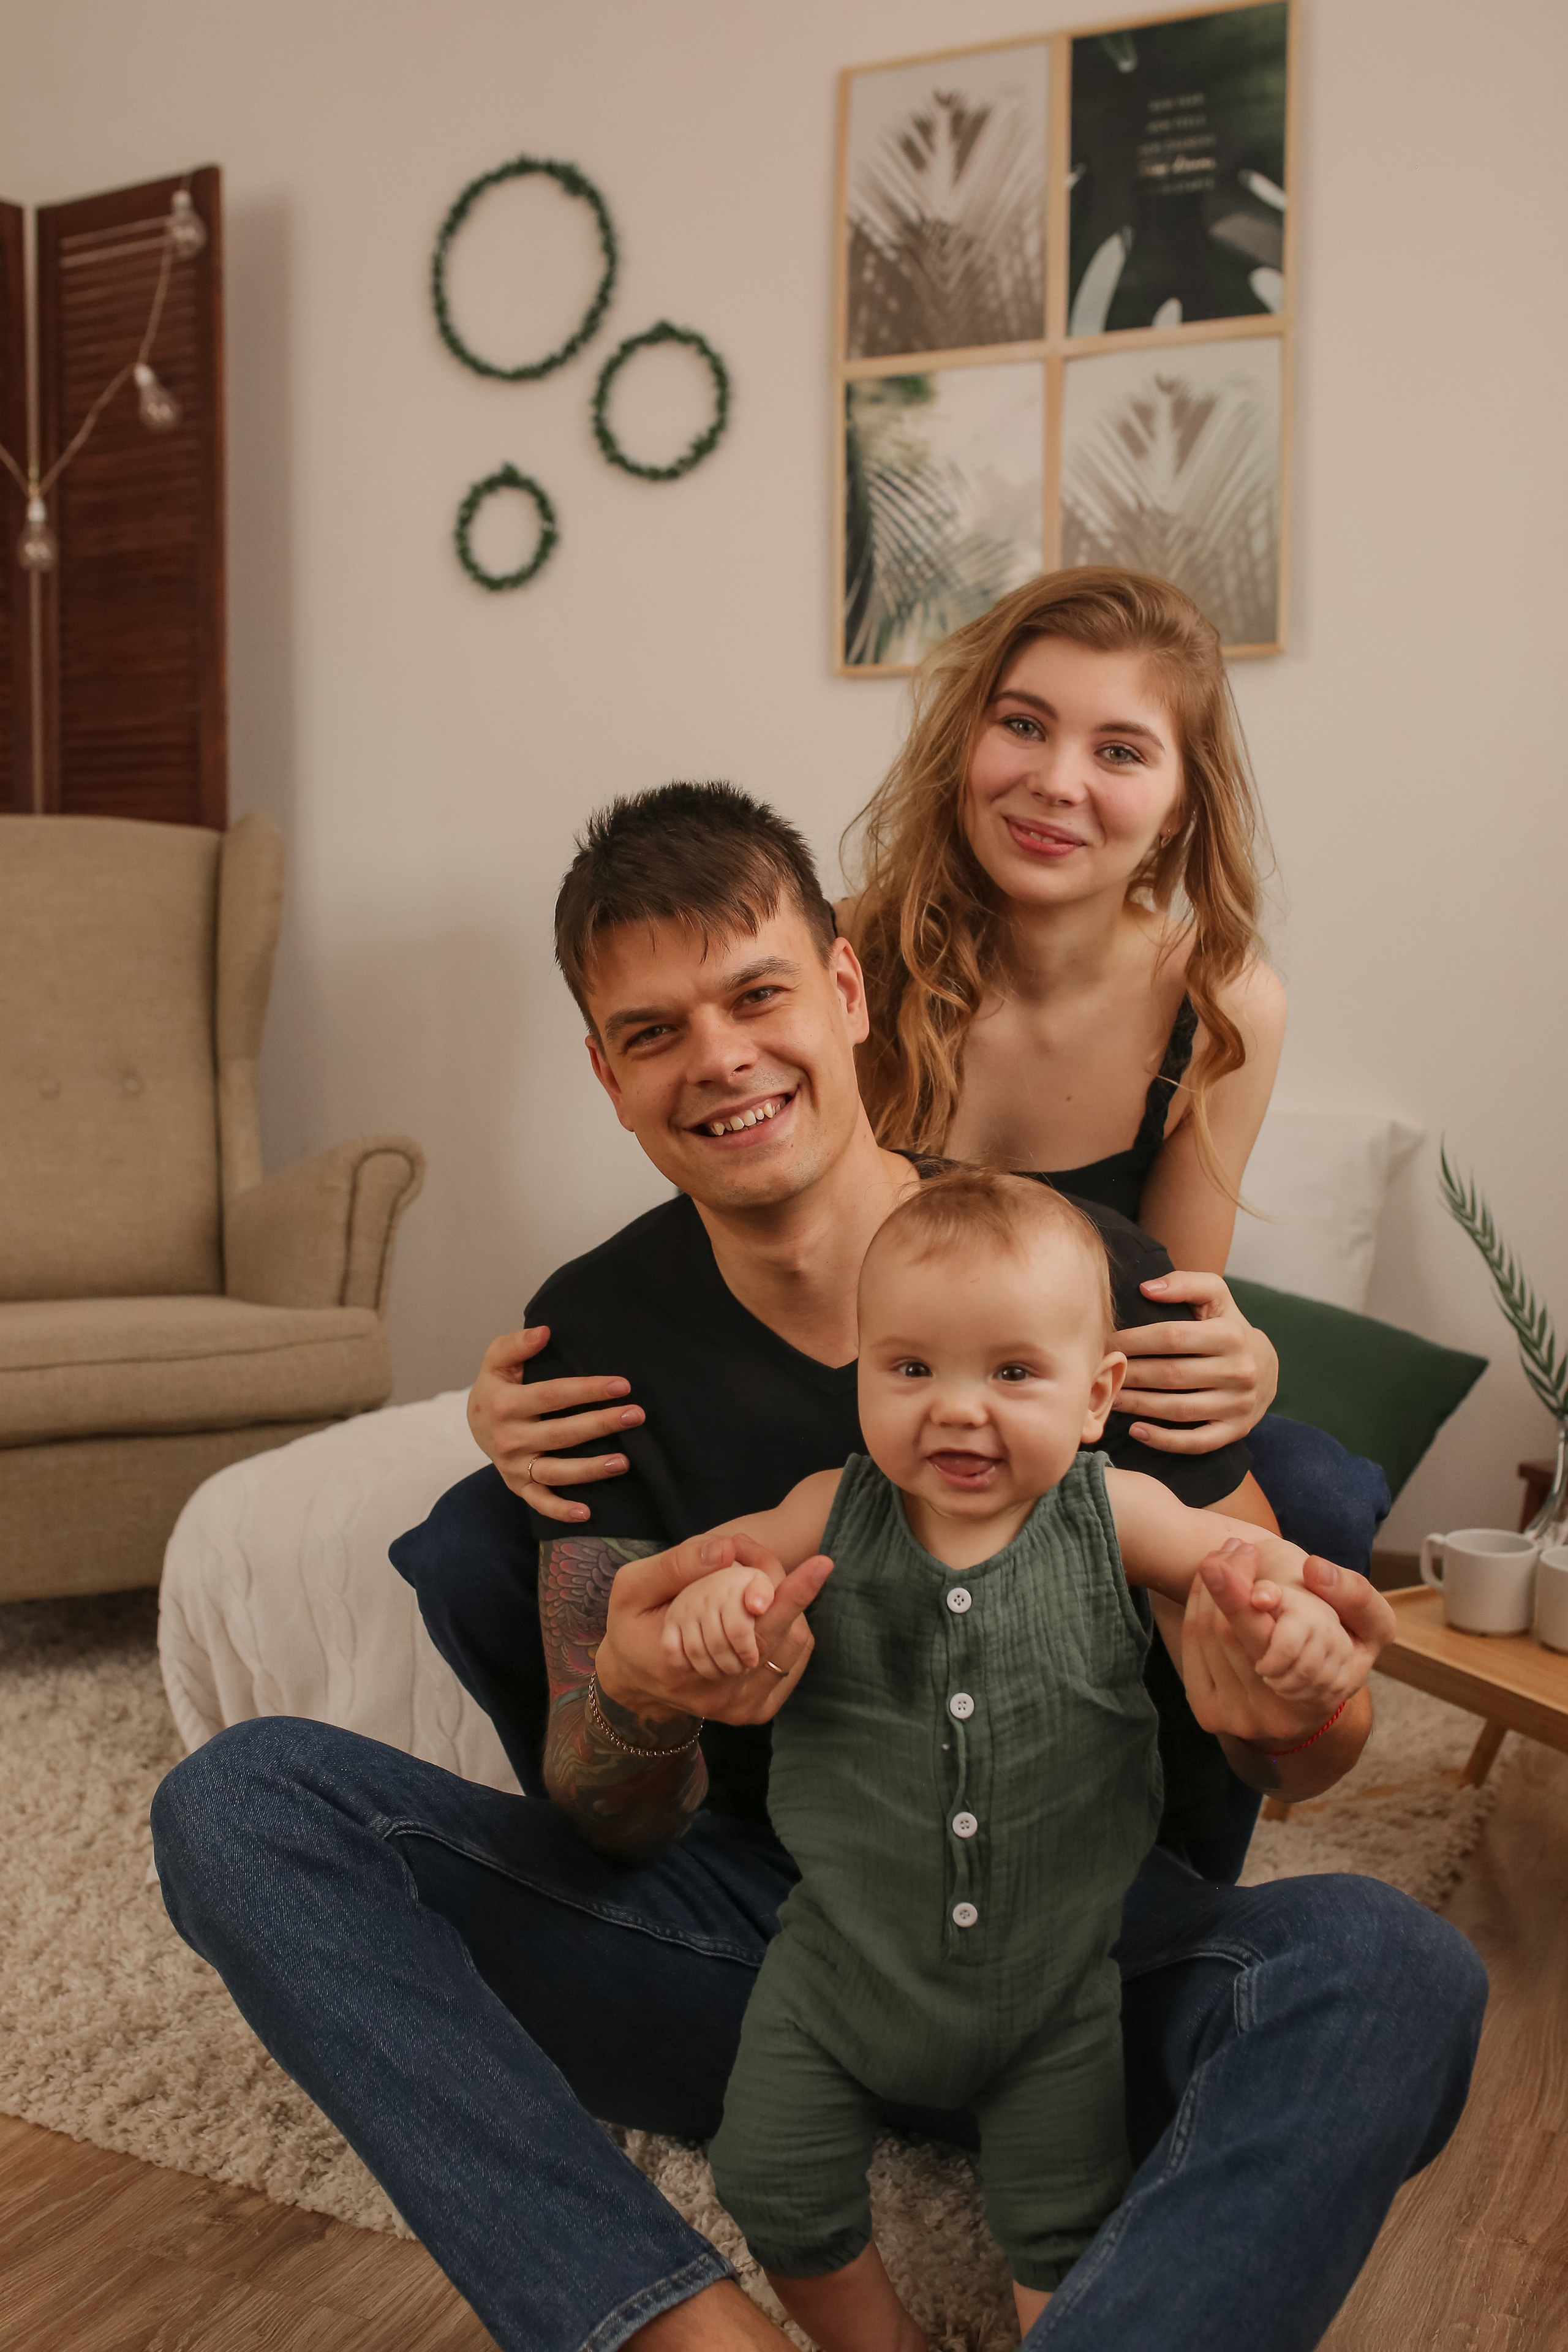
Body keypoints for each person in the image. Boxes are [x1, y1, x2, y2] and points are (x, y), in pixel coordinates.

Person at [151, 783, 1484, 2352]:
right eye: (650, 1032)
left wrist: (1273, 1699)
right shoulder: (595, 1342)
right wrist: (642, 1698)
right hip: (764, 1945)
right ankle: (673, 2333)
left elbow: (1311, 1748)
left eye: (757, 992)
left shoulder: (1082, 1277)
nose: (716, 1058)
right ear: (606, 1075)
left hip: (1077, 1941)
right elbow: (599, 1806)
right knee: (238, 1805)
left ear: (845, 991)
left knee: (1388, 1968)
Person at [488, 571, 1382, 1575]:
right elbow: (766, 1200)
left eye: (1121, 750)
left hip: (1045, 1394)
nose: (1056, 780)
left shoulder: (1222, 1006)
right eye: (1024, 725)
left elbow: (1158, 1308)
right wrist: (507, 1399)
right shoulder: (853, 946)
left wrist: (1243, 1360)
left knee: (1315, 1493)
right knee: (473, 1538)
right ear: (964, 743)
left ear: (1181, 806)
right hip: (875, 1372)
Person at [660, 1169, 1373, 2350]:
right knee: (774, 2180)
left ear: (1098, 1396)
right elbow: (710, 1567)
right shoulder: (826, 1507)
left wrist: (1293, 1615)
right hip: (838, 1970)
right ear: (862, 1378)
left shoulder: (1118, 1510)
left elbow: (1245, 1563)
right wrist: (720, 1603)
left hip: (1054, 1991)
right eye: (910, 1370)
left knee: (1063, 2222)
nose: (955, 1410)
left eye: (1011, 1373)